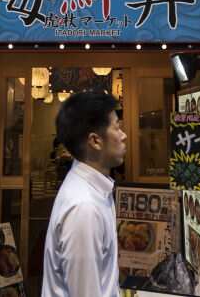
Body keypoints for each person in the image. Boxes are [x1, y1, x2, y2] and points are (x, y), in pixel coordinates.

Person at [42, 91, 127, 297]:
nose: (123, 135)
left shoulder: (95, 190)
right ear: (95, 141)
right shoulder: (84, 207)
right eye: (117, 127)